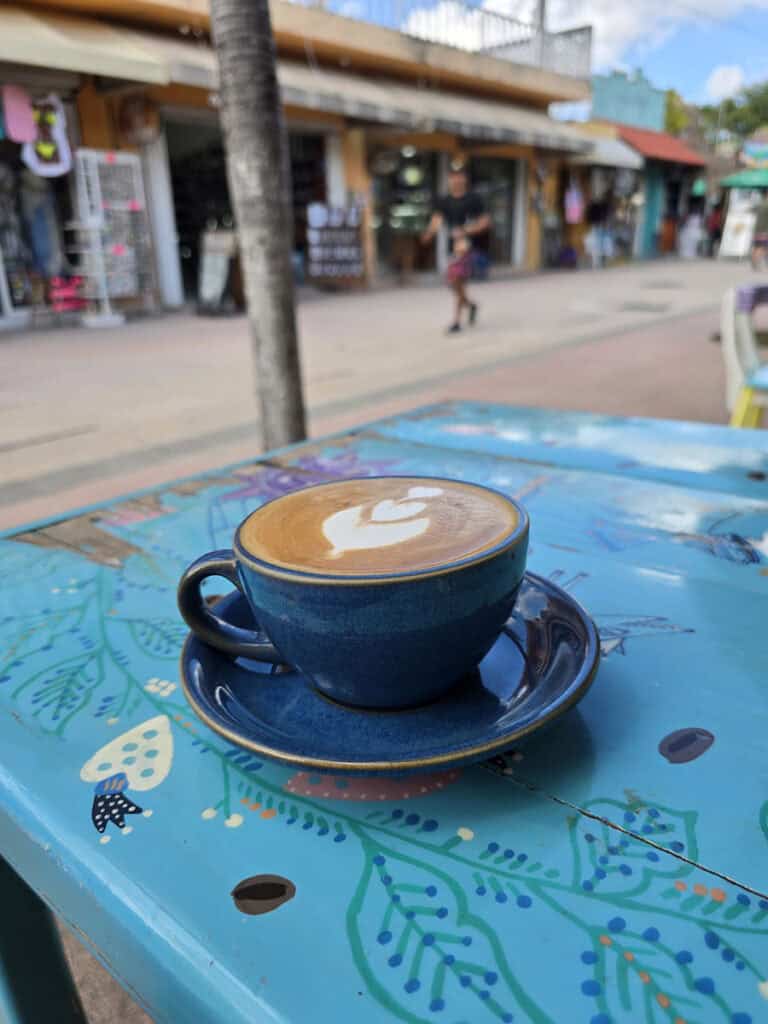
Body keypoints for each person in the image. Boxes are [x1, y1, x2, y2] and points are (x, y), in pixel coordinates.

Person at [421, 167, 490, 333]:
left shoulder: (474, 200)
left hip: (470, 248)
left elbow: (485, 222)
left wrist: (466, 231)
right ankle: (470, 305)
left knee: (458, 280)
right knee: (455, 284)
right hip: (452, 248)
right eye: (453, 177)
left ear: (465, 179)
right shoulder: (444, 201)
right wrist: (429, 233)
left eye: (459, 176)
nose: (456, 180)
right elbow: (437, 219)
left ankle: (457, 321)